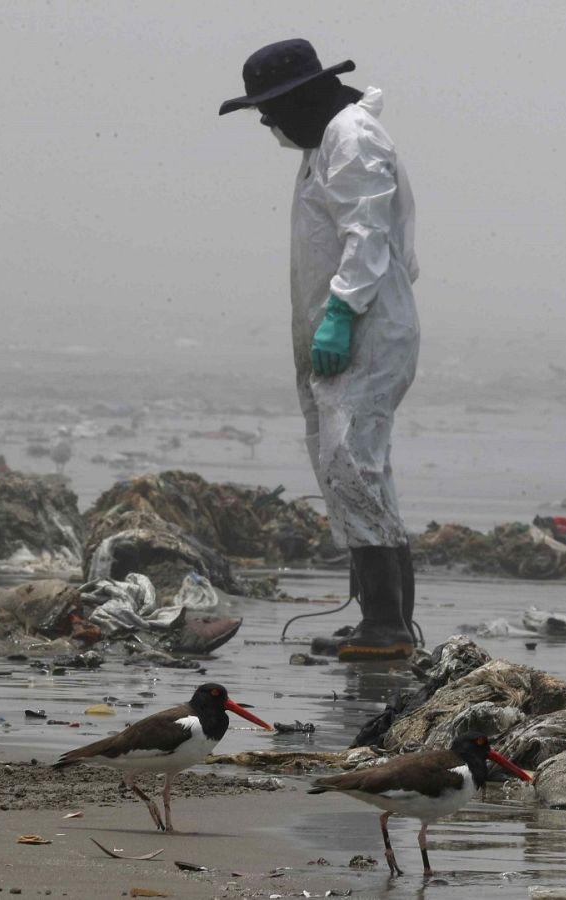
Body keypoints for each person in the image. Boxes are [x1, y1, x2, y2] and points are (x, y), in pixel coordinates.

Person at [221, 39, 420, 661]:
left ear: (301, 96)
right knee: (344, 466)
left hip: (362, 328)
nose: (265, 121)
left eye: (269, 108)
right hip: (338, 331)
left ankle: (387, 624)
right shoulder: (324, 143)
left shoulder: (353, 138)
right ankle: (377, 619)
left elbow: (368, 236)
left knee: (353, 464)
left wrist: (339, 313)